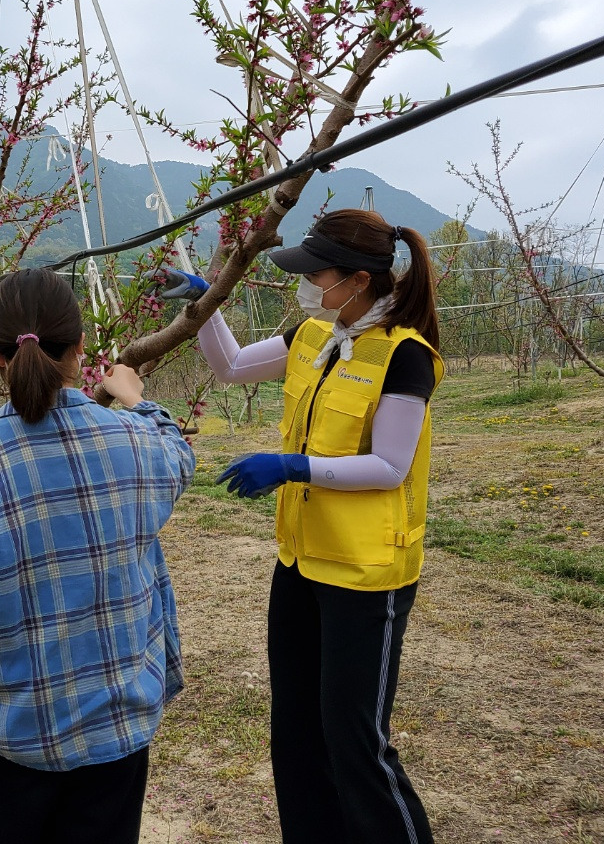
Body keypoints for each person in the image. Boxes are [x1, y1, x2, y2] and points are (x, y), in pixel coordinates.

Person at [162, 209, 444, 844]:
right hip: (299, 564)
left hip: (366, 575)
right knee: (296, 734)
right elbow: (232, 366)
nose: (309, 284)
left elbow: (391, 465)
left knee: (356, 744)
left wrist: (294, 466)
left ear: (359, 281)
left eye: (318, 273)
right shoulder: (315, 335)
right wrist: (206, 307)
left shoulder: (405, 356)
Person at [0, 267, 195, 844]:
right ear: (81, 350)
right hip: (117, 729)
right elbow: (178, 455)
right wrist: (137, 400)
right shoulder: (137, 443)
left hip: (14, 734)